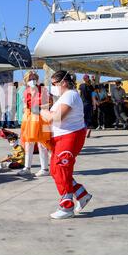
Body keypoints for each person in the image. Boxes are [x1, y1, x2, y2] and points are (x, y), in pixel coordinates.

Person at [41, 70, 92, 219]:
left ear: (63, 82)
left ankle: (67, 206)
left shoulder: (70, 95)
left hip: (70, 137)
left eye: (54, 84)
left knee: (61, 169)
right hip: (61, 138)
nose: (53, 87)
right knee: (56, 171)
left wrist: (45, 113)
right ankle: (81, 194)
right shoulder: (62, 97)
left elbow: (56, 118)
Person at [19, 71, 52, 177]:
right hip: (29, 117)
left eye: (33, 78)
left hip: (42, 116)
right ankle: (27, 167)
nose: (32, 80)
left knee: (42, 143)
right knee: (28, 142)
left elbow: (50, 102)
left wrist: (40, 107)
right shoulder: (25, 91)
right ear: (26, 81)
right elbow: (25, 105)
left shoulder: (43, 90)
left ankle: (45, 169)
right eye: (29, 79)